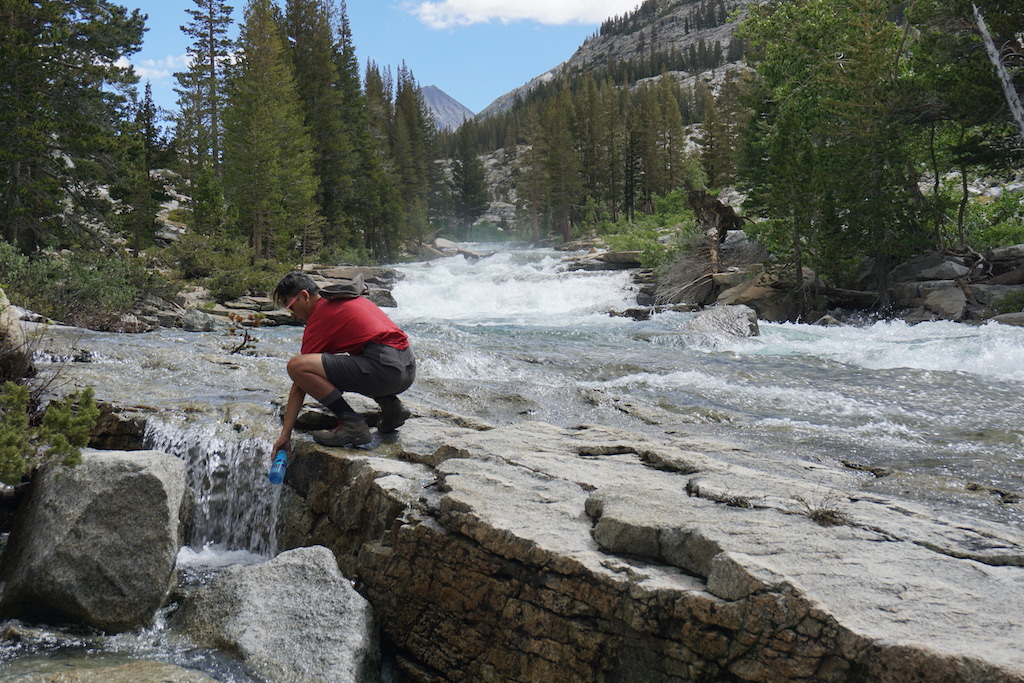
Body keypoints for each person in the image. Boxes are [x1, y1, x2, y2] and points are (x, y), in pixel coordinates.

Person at [270, 271, 415, 452]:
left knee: (297, 365)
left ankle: (352, 424)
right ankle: (392, 408)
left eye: (290, 306)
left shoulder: (321, 314)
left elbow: (300, 379)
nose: (292, 315)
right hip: (407, 369)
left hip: (385, 370)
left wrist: (285, 434)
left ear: (305, 297)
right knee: (350, 361)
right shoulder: (342, 300)